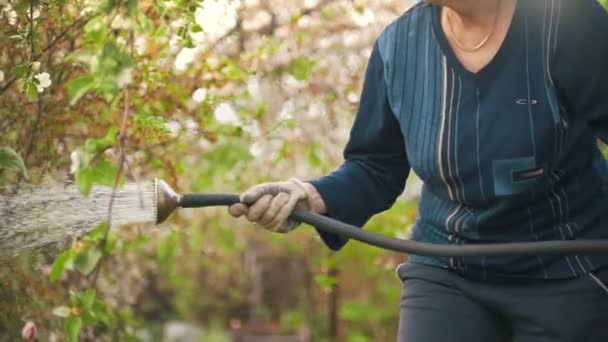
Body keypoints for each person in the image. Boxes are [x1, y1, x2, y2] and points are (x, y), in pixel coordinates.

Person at [228, 0, 608, 340]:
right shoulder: (399, 47)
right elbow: (375, 166)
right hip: (449, 268)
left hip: (567, 267)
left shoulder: (568, 21)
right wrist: (311, 196)